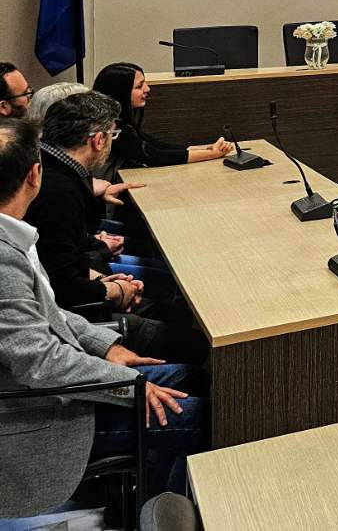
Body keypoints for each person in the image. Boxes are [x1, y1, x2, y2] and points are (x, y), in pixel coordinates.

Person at [0, 117, 206, 518]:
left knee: (193, 377)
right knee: (198, 416)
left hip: (63, 383)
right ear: (35, 175)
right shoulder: (3, 258)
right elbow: (40, 362)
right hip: (40, 413)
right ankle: (159, 516)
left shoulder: (13, 235)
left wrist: (106, 346)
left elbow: (48, 313)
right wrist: (127, 383)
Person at [27, 93, 204, 363]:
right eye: (113, 135)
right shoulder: (58, 191)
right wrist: (114, 291)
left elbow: (58, 260)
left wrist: (105, 283)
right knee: (195, 344)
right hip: (70, 324)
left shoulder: (47, 166)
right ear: (98, 140)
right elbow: (60, 285)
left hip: (79, 290)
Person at [92, 63, 233, 168]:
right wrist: (212, 154)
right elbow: (155, 156)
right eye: (139, 86)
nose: (147, 89)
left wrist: (205, 149)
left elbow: (155, 144)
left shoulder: (119, 120)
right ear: (120, 93)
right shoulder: (113, 128)